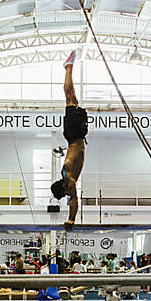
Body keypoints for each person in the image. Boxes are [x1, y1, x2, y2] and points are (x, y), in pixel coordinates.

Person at [49, 51, 87, 230]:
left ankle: (68, 67)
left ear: (62, 187)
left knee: (70, 97)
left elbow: (74, 199)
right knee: (73, 99)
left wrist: (71, 219)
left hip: (74, 134)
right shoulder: (67, 176)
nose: (67, 194)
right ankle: (68, 67)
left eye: (64, 193)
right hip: (76, 135)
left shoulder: (69, 178)